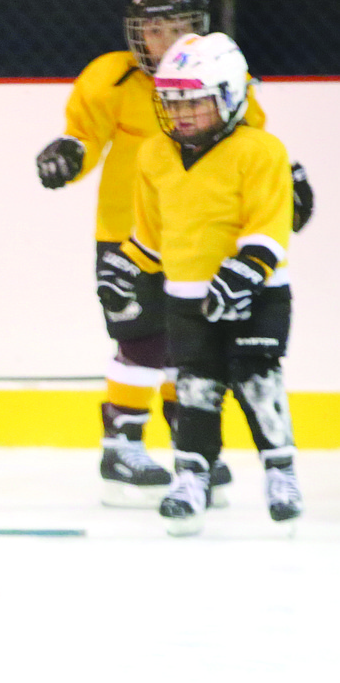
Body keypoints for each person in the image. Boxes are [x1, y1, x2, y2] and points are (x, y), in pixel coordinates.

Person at [33, 0, 311, 508]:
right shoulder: (110, 77)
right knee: (140, 341)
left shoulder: (218, 76)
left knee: (188, 350)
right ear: (138, 33)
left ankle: (193, 452)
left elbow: (250, 133)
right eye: (156, 29)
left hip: (199, 244)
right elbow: (85, 136)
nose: (167, 40)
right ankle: (123, 442)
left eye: (179, 27)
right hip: (131, 235)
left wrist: (288, 175)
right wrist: (68, 154)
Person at [110, 32, 300, 536]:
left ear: (232, 94)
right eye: (173, 101)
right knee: (195, 385)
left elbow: (271, 223)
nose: (182, 112)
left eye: (195, 99)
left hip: (257, 294)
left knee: (258, 379)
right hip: (186, 297)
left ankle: (281, 473)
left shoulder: (261, 151)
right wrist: (126, 269)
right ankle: (192, 477)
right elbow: (152, 234)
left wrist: (244, 272)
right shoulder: (154, 155)